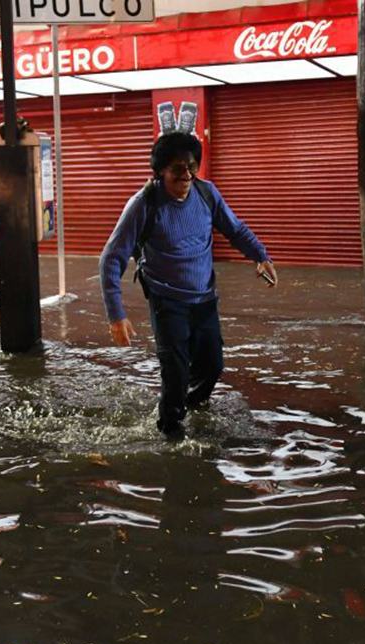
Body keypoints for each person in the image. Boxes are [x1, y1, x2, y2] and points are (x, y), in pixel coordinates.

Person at [99, 131, 278, 440]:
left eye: (191, 167)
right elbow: (111, 258)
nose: (186, 176)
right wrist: (116, 315)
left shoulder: (207, 194)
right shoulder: (143, 204)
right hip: (166, 300)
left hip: (204, 297)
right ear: (160, 172)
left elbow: (235, 229)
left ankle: (191, 407)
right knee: (176, 372)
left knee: (212, 366)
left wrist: (259, 256)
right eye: (177, 170)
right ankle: (170, 433)